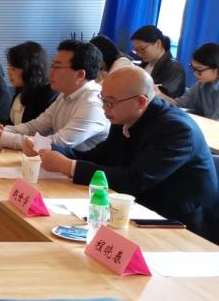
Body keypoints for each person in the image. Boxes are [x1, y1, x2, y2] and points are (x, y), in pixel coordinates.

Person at [38, 66, 217, 237]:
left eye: (110, 102)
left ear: (140, 102)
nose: (104, 108)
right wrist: (47, 149)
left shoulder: (175, 129)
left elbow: (133, 180)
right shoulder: (124, 115)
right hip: (140, 209)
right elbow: (100, 157)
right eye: (103, 100)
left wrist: (69, 166)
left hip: (181, 224)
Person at [0, 40, 109, 154]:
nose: (50, 72)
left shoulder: (93, 104)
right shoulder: (64, 96)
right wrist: (2, 130)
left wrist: (3, 137)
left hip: (85, 172)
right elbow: (34, 127)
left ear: (80, 74)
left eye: (57, 67)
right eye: (52, 66)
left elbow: (57, 143)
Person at [0, 41, 56, 124]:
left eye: (13, 69)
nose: (8, 72)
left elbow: (29, 131)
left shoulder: (46, 95)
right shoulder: (21, 91)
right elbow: (12, 124)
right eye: (9, 67)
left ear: (29, 70)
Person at [157, 42, 219, 120]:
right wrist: (159, 94)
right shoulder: (200, 85)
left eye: (199, 70)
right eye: (193, 68)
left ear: (216, 69)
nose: (195, 74)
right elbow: (179, 104)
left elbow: (215, 122)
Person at [131, 25, 186, 98]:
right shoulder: (145, 63)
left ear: (158, 43)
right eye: (136, 50)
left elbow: (167, 98)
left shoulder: (174, 68)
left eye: (142, 49)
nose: (139, 54)